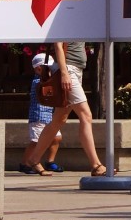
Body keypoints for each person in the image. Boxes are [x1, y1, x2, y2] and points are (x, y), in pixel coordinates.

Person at [24, 42, 107, 177]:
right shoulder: (64, 20)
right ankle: (96, 165)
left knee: (58, 119)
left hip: (75, 70)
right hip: (68, 70)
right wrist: (64, 73)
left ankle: (33, 159)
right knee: (86, 116)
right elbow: (58, 45)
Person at [19, 53, 62, 174]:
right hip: (38, 115)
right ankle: (25, 163)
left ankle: (50, 161)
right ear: (39, 69)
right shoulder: (38, 81)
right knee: (36, 141)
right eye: (49, 68)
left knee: (57, 138)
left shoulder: (47, 80)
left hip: (49, 115)